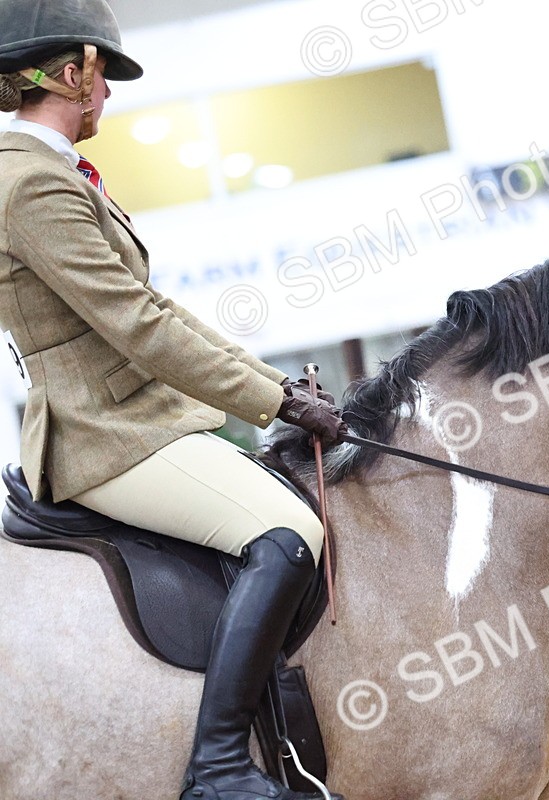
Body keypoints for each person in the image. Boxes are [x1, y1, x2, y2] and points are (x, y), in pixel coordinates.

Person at [0, 2, 347, 798]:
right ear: (74, 73)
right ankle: (217, 765)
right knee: (289, 529)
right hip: (104, 433)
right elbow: (138, 327)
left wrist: (276, 388)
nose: (107, 96)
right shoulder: (30, 184)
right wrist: (276, 405)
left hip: (138, 419)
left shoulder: (47, 171)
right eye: (104, 78)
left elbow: (154, 309)